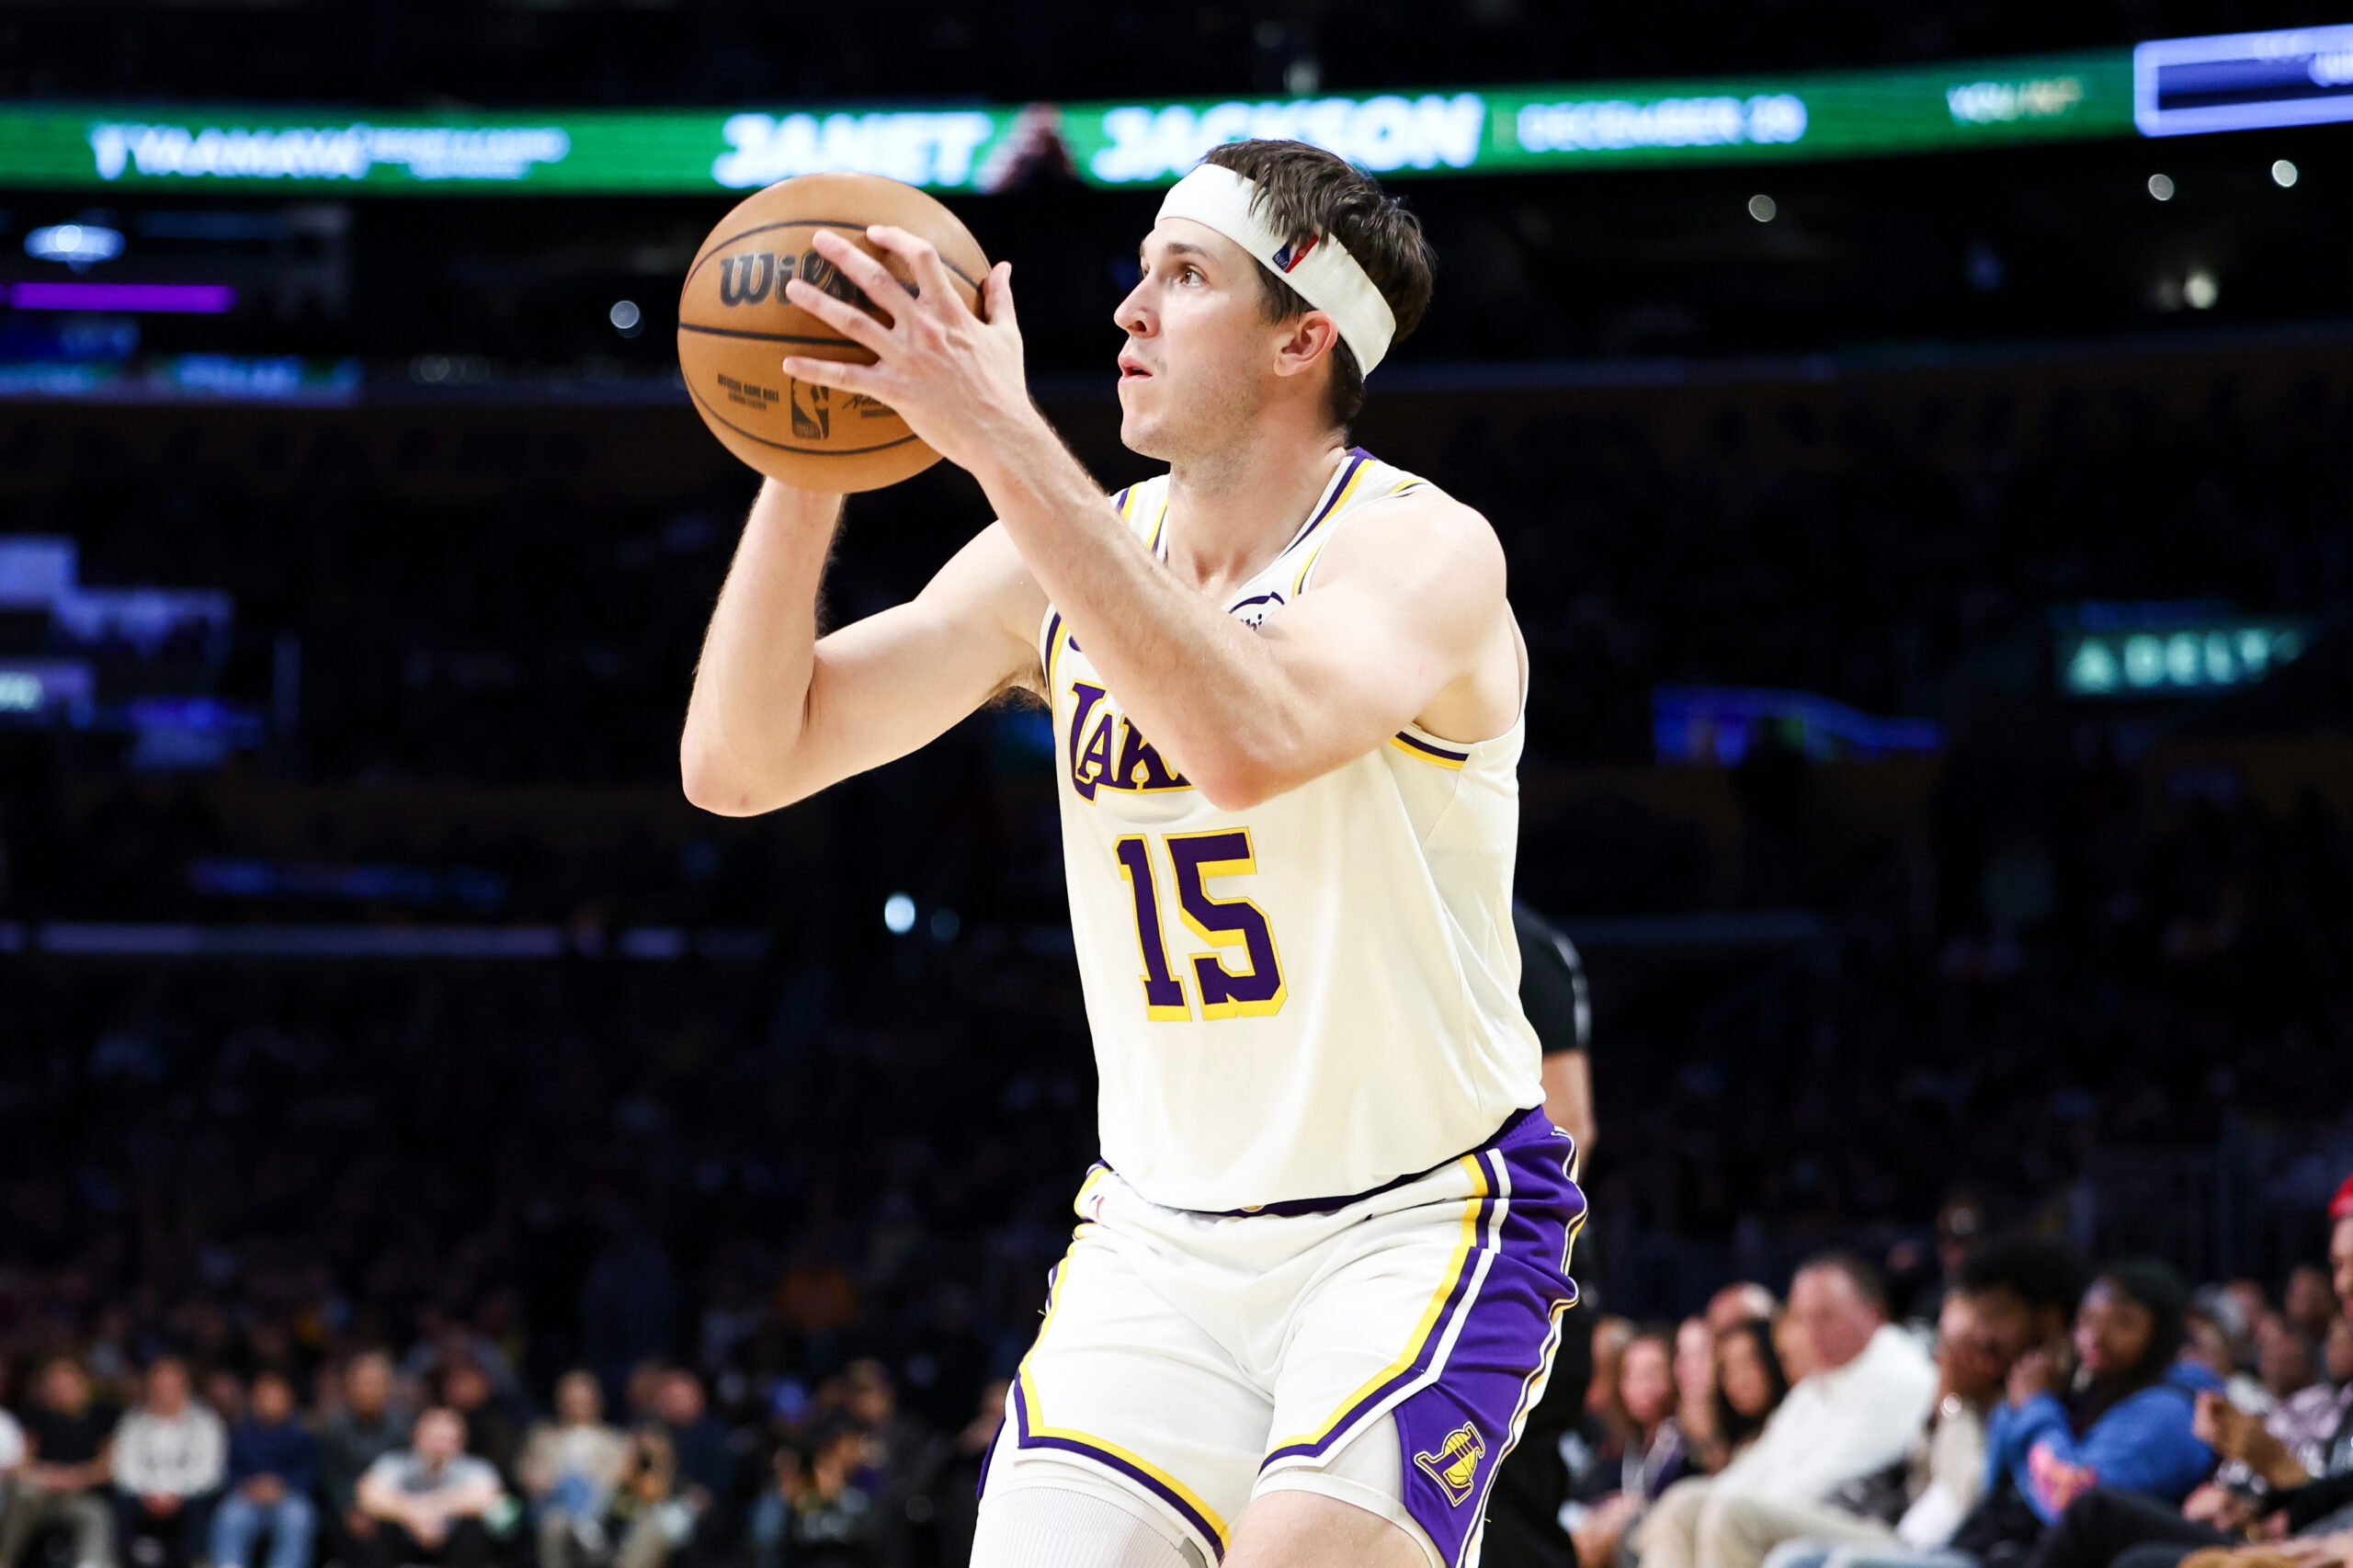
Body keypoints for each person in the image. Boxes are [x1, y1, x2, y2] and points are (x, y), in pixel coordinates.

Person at [680, 134, 1582, 1568]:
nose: (1127, 311)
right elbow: (741, 758)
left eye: (1185, 275)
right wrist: (811, 446)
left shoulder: (1420, 551)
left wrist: (996, 434)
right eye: (1140, 269)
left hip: (1413, 1223)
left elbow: (1249, 738)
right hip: (1158, 1243)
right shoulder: (1069, 550)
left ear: (1302, 337)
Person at [1636, 1255, 1938, 1568]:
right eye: (1803, 1318)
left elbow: (1829, 1481)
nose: (1813, 1331)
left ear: (1873, 1312)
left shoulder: (1898, 1372)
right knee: (1682, 1506)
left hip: (1878, 1526)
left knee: (1734, 1515)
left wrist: (1737, 1500)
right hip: (1813, 1511)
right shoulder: (1818, 1385)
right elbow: (1761, 1464)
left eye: (1826, 1316)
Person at [1982, 1261, 2218, 1527]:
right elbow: (1991, 1485)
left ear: (2162, 1334)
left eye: (2122, 1323)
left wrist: (2035, 1407)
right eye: (2087, 1320)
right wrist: (2017, 1408)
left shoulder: (2169, 1412)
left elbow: (2071, 1502)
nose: (2096, 1337)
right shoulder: (2093, 1389)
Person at [111, 1356, 227, 1568]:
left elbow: (209, 1471)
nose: (165, 1392)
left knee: (204, 1505)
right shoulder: (131, 1422)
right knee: (120, 1502)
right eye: (159, 1386)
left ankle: (197, 1562)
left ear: (185, 1387)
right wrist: (152, 1493)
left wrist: (174, 1493)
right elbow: (125, 1469)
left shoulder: (206, 1422)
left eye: (172, 1386)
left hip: (189, 1497)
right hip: (142, 1497)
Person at [0, 1357, 116, 1568]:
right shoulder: (33, 1416)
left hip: (81, 1496)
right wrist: (49, 1478)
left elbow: (106, 1465)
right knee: (21, 1495)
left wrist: (74, 1478)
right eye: (53, 1382)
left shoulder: (103, 1416)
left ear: (83, 1382)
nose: (59, 1387)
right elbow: (22, 1463)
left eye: (66, 1381)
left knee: (96, 1513)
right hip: (40, 1495)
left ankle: (90, 1564)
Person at [353, 1407, 503, 1568]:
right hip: (404, 1543)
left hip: (455, 1547)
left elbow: (489, 1496)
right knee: (371, 1521)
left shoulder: (475, 1468)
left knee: (485, 1521)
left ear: (461, 1442)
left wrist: (433, 1508)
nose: (439, 1447)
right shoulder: (396, 1463)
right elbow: (368, 1494)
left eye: (447, 1440)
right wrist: (413, 1514)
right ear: (416, 1437)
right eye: (433, 1439)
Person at [209, 1369, 320, 1568]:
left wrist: (281, 1486)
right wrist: (248, 1487)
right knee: (229, 1515)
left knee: (299, 1516)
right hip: (247, 1497)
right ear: (253, 1400)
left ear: (289, 1399)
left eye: (276, 1396)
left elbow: (310, 1473)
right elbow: (227, 1472)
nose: (269, 1402)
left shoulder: (301, 1434)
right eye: (264, 1396)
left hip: (287, 1496)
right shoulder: (240, 1432)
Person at [521, 1369, 631, 1568]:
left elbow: (617, 1476)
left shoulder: (614, 1440)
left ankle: (583, 1523)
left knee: (576, 1492)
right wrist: (539, 1480)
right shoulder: (542, 1434)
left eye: (582, 1400)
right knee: (556, 1520)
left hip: (599, 1505)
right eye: (570, 1400)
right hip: (551, 1502)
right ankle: (583, 1526)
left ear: (595, 1401)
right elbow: (525, 1469)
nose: (576, 1405)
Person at [319, 1351, 409, 1565]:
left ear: (387, 1388)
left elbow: (405, 1474)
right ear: (350, 1388)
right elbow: (330, 1477)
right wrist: (350, 1508)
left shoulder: (401, 1427)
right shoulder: (335, 1427)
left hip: (390, 1507)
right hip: (343, 1508)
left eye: (376, 1384)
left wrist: (379, 1507)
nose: (369, 1390)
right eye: (363, 1383)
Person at [1712, 1321, 1791, 1460]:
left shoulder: (1800, 1419)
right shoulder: (1738, 1450)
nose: (1739, 1381)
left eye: (1747, 1364)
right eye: (1728, 1371)